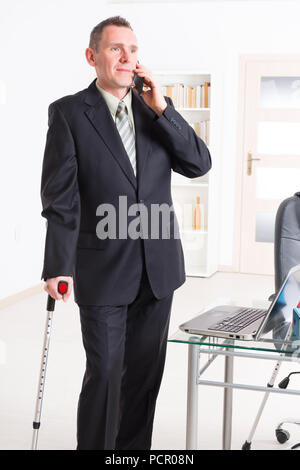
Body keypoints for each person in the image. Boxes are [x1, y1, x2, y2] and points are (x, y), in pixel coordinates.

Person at [40, 16, 211, 450]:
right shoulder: (69, 113)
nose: (126, 57)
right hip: (102, 269)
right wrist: (58, 266)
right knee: (106, 373)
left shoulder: (154, 110)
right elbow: (61, 200)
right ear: (92, 56)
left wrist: (164, 109)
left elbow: (198, 164)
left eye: (133, 50)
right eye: (116, 48)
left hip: (158, 271)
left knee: (144, 379)